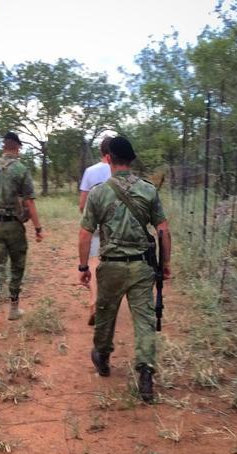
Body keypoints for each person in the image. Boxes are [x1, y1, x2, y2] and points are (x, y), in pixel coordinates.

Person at [78, 136, 171, 403]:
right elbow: (163, 229)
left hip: (111, 267)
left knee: (106, 314)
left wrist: (84, 266)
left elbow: (85, 234)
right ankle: (145, 373)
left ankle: (103, 356)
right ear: (131, 160)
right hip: (142, 267)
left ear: (108, 159)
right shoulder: (148, 190)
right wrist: (165, 263)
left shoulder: (98, 192)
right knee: (144, 319)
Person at [0, 131, 42, 333]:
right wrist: (38, 228)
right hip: (14, 226)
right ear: (17, 147)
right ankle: (13, 308)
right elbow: (29, 201)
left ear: (4, 146)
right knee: (17, 266)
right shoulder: (21, 169)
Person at [78, 136, 114, 326]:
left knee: (93, 261)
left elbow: (82, 203)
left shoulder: (90, 172)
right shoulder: (120, 171)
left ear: (101, 152)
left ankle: (93, 300)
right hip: (116, 225)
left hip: (95, 222)